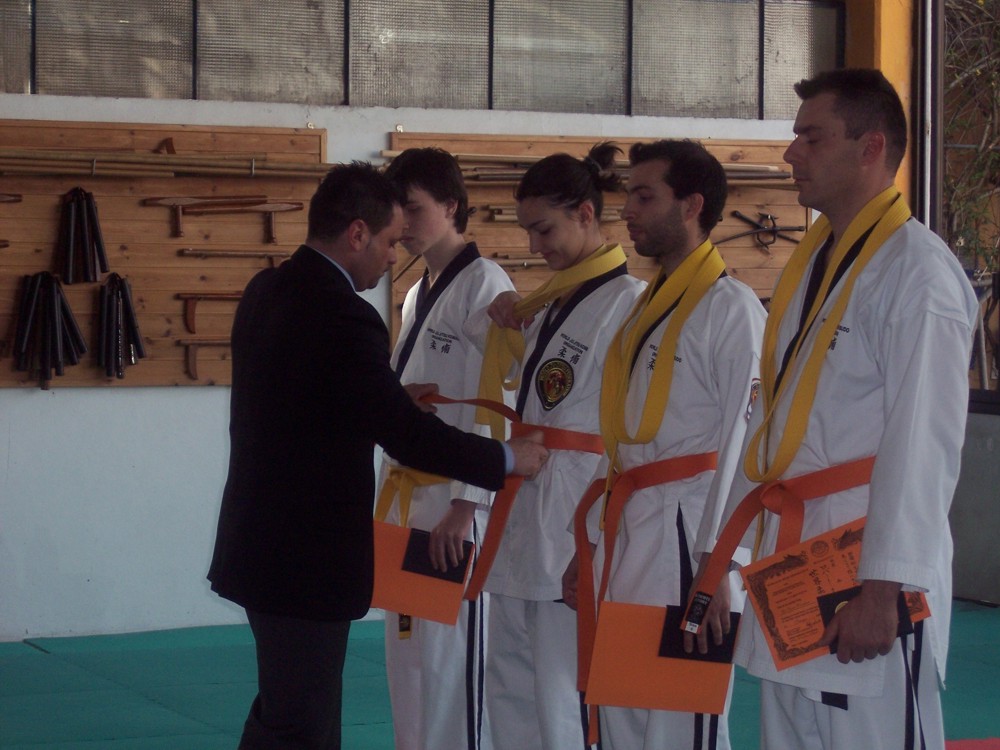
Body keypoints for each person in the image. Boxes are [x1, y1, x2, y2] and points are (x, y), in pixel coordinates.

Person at [207, 162, 548, 750]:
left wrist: (460, 491)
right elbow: (403, 434)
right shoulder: (346, 313)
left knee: (298, 710)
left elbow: (313, 398)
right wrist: (503, 461)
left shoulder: (267, 289)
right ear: (357, 233)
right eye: (390, 239)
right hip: (309, 554)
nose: (396, 253)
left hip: (264, 539)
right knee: (302, 720)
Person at [693, 69, 978, 750]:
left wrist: (884, 587)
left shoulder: (918, 274)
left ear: (870, 146)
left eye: (811, 137)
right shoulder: (817, 262)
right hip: (795, 558)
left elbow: (924, 442)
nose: (792, 152)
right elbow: (774, 424)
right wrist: (726, 556)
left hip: (864, 561)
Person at [562, 139, 766, 749]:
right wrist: (591, 539)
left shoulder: (732, 310)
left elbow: (744, 443)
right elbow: (622, 441)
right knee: (624, 711)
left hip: (689, 536)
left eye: (645, 196)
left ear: (692, 205)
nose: (629, 210)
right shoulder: (646, 308)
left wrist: (721, 564)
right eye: (629, 195)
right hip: (630, 529)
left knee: (680, 720)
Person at [470, 143, 646, 750]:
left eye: (544, 229)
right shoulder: (547, 304)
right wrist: (506, 317)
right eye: (528, 231)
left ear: (586, 215)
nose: (534, 244)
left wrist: (599, 532)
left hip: (574, 509)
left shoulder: (630, 303)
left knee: (560, 688)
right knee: (509, 684)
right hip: (526, 503)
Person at [377, 148, 515, 750]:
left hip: (454, 507)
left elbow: (500, 398)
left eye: (414, 208)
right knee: (409, 657)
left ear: (452, 206)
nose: (403, 223)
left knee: (450, 663)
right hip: (409, 497)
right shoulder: (416, 292)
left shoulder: (485, 285)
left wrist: (469, 503)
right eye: (397, 210)